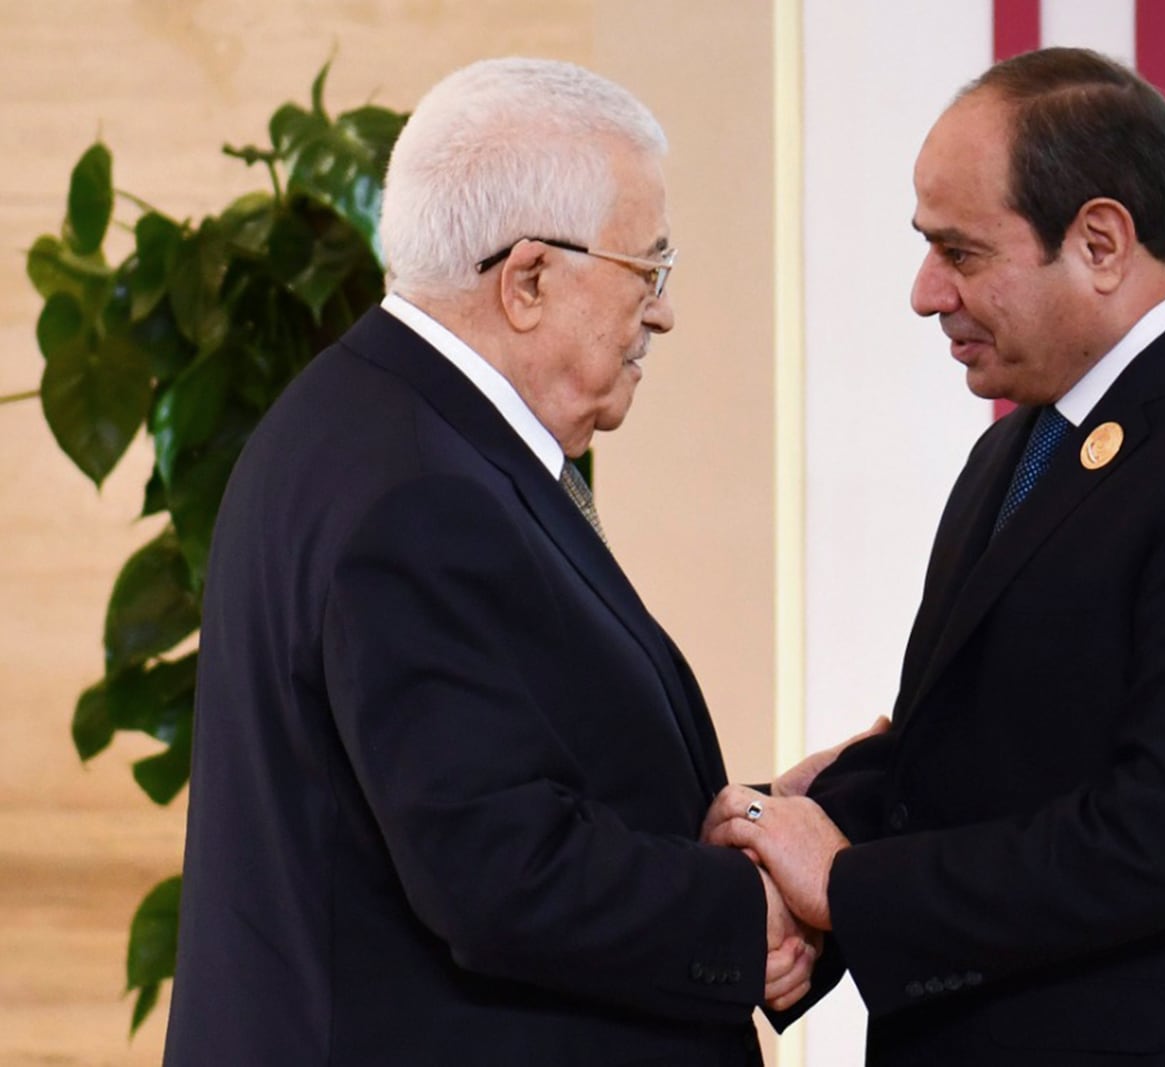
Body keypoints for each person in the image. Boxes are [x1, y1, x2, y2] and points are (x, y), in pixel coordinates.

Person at [705, 47, 1165, 1066]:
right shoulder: (1029, 435)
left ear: (1100, 241)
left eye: (961, 251)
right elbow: (990, 742)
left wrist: (848, 885)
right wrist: (806, 825)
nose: (923, 291)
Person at [164, 57, 815, 1066]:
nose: (664, 314)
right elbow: (495, 866)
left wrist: (737, 824)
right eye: (648, 270)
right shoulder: (417, 491)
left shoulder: (376, 427)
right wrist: (747, 908)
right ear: (527, 279)